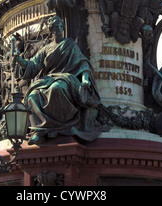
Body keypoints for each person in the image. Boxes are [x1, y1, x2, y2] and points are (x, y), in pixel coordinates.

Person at [13, 15, 101, 145]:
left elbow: (83, 64)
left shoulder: (70, 45)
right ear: (51, 30)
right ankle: (39, 131)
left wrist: (85, 80)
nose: (58, 30)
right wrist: (20, 61)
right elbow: (33, 65)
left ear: (63, 28)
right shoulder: (46, 49)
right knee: (32, 95)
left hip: (67, 78)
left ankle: (60, 126)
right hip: (48, 79)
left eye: (60, 27)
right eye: (55, 28)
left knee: (56, 89)